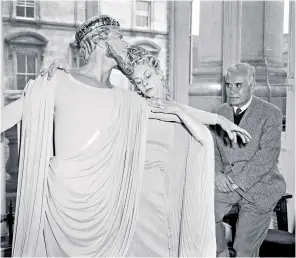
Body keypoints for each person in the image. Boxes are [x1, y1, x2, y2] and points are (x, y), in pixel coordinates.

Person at [1, 15, 151, 257]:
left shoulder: (127, 100)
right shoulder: (59, 79)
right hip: (63, 206)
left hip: (106, 208)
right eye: (120, 37)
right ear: (102, 40)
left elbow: (165, 110)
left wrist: (218, 121)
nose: (126, 44)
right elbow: (9, 116)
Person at [212, 63, 286, 257]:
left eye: (239, 85)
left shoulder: (271, 113)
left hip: (261, 186)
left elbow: (267, 158)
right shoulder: (219, 113)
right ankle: (220, 254)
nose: (232, 91)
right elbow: (213, 151)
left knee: (244, 248)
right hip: (227, 181)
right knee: (201, 211)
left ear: (251, 85)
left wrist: (235, 182)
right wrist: (216, 173)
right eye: (229, 85)